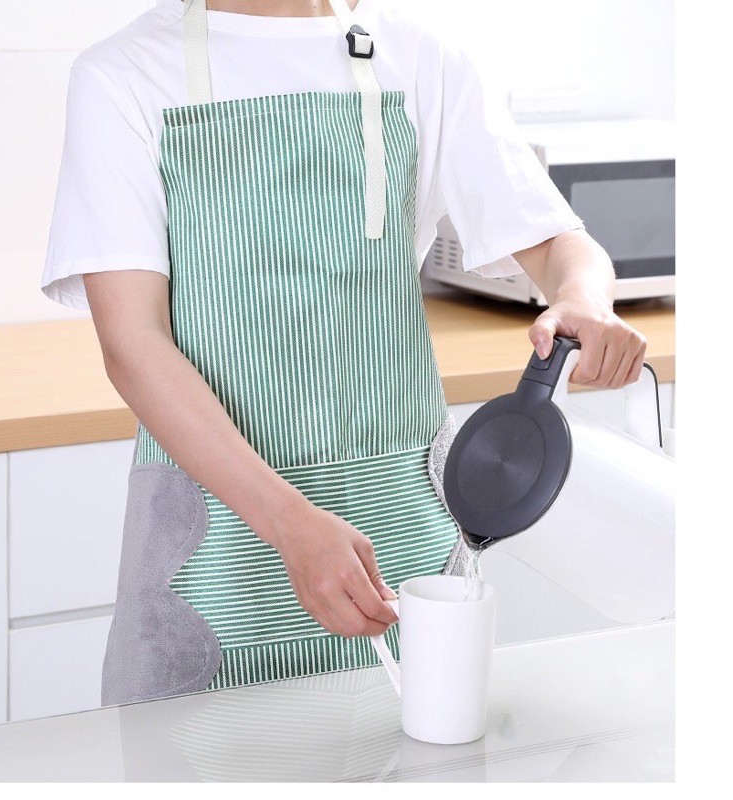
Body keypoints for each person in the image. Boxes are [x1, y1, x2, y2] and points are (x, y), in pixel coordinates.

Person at [41, 0, 647, 705]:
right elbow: (132, 342)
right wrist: (290, 525)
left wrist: (583, 296)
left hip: (403, 545)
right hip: (217, 563)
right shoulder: (122, 74)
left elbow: (557, 243)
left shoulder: (420, 58)